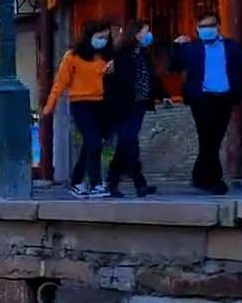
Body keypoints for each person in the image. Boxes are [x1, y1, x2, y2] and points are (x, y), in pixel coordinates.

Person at [173, 10, 242, 194]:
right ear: (197, 29)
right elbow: (174, 65)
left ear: (218, 26)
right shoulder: (192, 48)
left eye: (210, 25)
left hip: (223, 98)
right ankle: (212, 179)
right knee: (207, 138)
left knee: (213, 139)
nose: (206, 30)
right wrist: (176, 46)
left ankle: (199, 176)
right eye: (202, 26)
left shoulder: (232, 47)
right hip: (201, 99)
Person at [41, 20, 113, 197]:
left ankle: (76, 181)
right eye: (100, 37)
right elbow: (60, 83)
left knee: (91, 144)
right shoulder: (72, 57)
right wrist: (48, 108)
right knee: (93, 142)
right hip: (81, 104)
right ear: (89, 37)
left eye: (106, 37)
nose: (103, 40)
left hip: (102, 104)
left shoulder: (106, 57)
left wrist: (110, 74)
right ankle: (96, 184)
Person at [103, 20, 159, 198]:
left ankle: (113, 182)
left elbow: (151, 78)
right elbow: (111, 84)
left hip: (139, 104)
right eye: (146, 31)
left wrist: (163, 95)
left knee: (126, 144)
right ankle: (138, 183)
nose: (149, 35)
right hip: (123, 106)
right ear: (137, 34)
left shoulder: (142, 54)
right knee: (129, 142)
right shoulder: (120, 57)